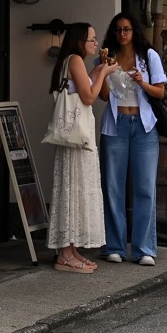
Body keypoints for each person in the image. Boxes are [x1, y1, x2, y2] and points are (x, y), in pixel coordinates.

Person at [46, 23, 117, 274]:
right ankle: (65, 254)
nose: (96, 43)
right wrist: (104, 74)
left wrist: (99, 71)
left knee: (74, 190)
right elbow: (89, 97)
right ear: (79, 41)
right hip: (77, 138)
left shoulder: (72, 60)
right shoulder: (74, 59)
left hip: (76, 136)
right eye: (92, 39)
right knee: (73, 190)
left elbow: (84, 91)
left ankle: (71, 249)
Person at [98, 12, 167, 266]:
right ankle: (114, 246)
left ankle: (144, 248)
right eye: (117, 30)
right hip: (116, 126)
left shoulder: (149, 57)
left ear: (134, 31)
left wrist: (142, 82)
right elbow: (104, 96)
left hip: (144, 126)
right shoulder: (109, 57)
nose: (122, 34)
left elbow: (160, 92)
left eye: (126, 29)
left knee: (144, 188)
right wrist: (103, 69)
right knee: (113, 187)